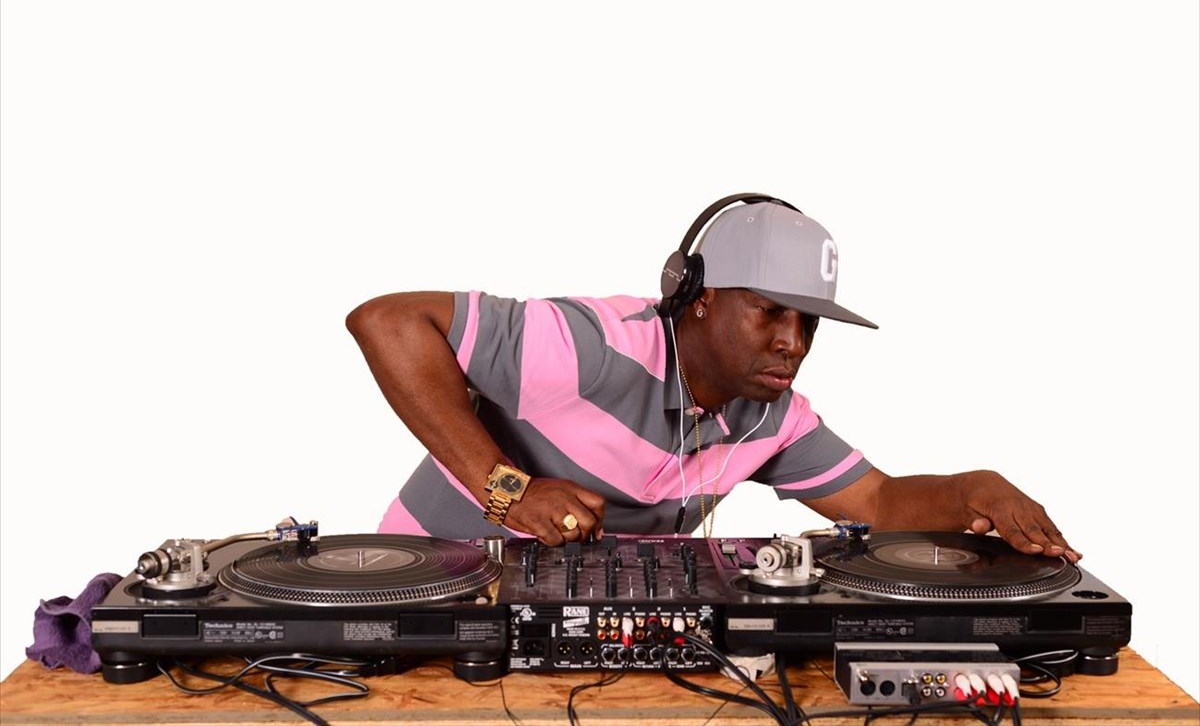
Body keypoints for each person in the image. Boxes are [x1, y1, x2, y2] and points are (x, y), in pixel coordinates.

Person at [346, 193, 1080, 562]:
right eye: (770, 312)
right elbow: (388, 321)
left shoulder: (773, 417)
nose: (793, 343)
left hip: (581, 636)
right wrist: (507, 489)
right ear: (698, 296)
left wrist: (974, 487)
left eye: (809, 323)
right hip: (423, 597)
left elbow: (879, 502)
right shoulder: (592, 344)